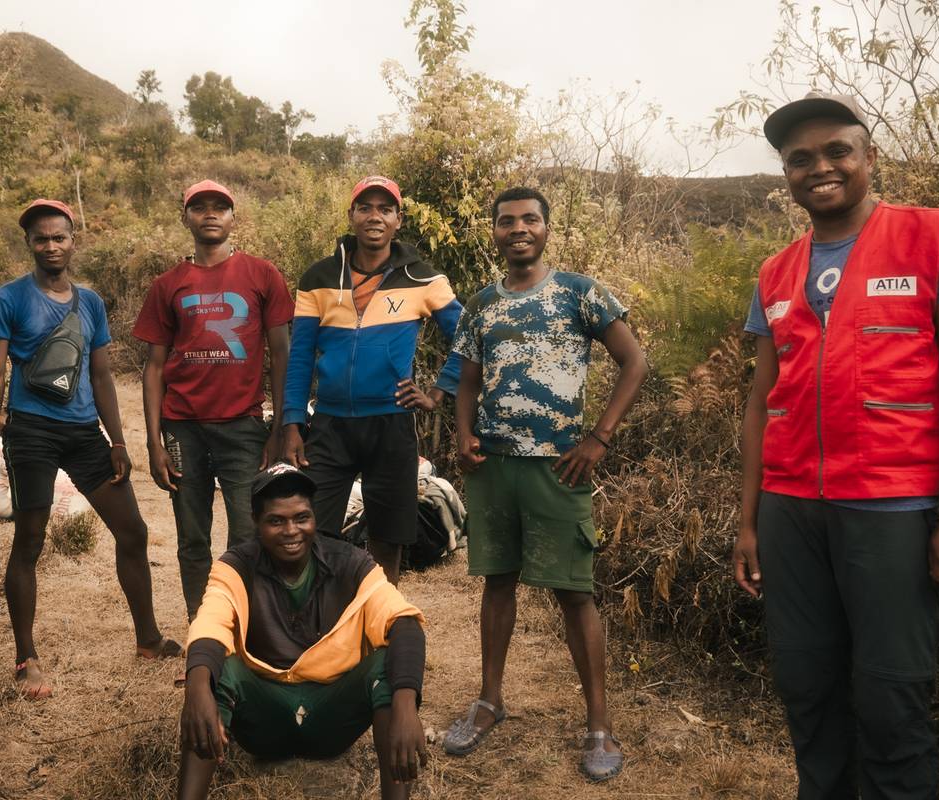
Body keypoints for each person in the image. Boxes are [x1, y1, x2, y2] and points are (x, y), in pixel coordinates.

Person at [731, 93, 939, 798]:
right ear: (786, 175)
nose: (820, 168)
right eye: (800, 159)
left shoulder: (932, 238)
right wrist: (751, 523)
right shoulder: (775, 272)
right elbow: (763, 402)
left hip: (891, 511)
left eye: (837, 150)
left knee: (890, 700)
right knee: (807, 691)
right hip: (791, 512)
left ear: (869, 157)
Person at [440, 187, 649, 782]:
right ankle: (489, 702)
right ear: (495, 232)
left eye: (530, 219)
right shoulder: (482, 304)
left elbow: (634, 362)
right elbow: (467, 382)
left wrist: (599, 437)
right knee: (497, 581)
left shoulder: (581, 293)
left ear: (547, 229)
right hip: (494, 467)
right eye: (506, 222)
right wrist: (463, 435)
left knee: (573, 592)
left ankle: (599, 725)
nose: (518, 229)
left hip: (559, 466)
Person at [0, 198, 179, 699]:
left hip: (85, 433)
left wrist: (117, 440)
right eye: (40, 238)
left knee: (132, 530)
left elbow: (102, 375)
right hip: (32, 433)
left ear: (72, 240)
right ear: (29, 244)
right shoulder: (8, 299)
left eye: (59, 236)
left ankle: (148, 640)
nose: (51, 245)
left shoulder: (90, 302)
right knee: (31, 539)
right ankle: (26, 659)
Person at [176, 463, 429, 800]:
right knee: (215, 669)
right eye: (276, 520)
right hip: (264, 722)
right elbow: (211, 622)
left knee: (387, 664)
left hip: (331, 717)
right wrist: (196, 689)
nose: (291, 530)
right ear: (256, 523)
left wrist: (406, 705)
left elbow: (404, 622)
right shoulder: (237, 565)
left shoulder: (351, 562)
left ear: (314, 516)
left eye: (301, 517)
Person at [280, 175, 463, 585]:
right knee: (313, 531)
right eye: (366, 207)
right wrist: (292, 422)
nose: (375, 216)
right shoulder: (318, 278)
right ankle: (320, 624)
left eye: (385, 209)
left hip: (391, 424)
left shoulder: (423, 279)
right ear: (352, 216)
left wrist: (437, 392)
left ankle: (380, 629)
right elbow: (300, 357)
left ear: (399, 220)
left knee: (389, 538)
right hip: (329, 424)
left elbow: (468, 337)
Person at [133, 180, 295, 619]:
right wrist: (153, 443)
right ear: (185, 217)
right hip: (182, 426)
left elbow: (282, 354)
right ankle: (201, 626)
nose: (209, 214)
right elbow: (153, 366)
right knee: (191, 536)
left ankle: (240, 624)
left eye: (219, 207)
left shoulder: (263, 274)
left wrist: (279, 427)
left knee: (247, 534)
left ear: (232, 217)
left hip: (243, 425)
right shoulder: (168, 284)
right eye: (199, 207)